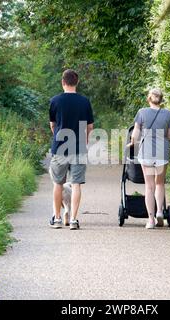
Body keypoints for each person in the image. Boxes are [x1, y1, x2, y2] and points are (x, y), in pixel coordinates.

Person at [49, 69, 94, 230]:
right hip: (79, 147)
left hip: (60, 147)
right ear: (77, 82)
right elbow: (89, 126)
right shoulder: (84, 101)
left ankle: (57, 218)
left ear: (63, 82)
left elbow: (53, 125)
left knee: (58, 184)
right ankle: (74, 219)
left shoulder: (55, 101)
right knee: (76, 184)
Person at [130, 88, 170, 229]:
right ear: (161, 100)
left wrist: (132, 143)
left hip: (147, 155)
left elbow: (135, 134)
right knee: (160, 184)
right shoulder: (168, 114)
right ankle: (160, 212)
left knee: (149, 186)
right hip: (161, 155)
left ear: (149, 99)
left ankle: (150, 220)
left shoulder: (142, 113)